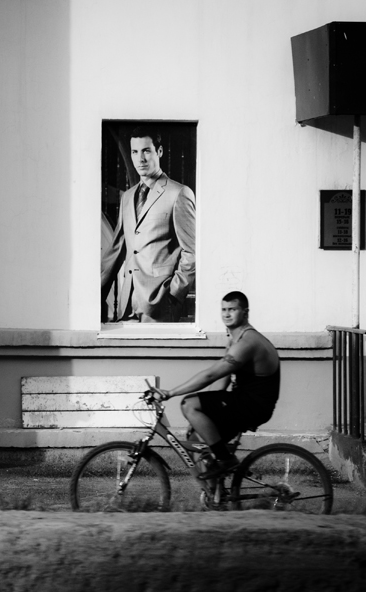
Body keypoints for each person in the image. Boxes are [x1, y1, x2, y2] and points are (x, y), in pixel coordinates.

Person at [154, 291, 280, 480]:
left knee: (189, 404)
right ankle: (216, 493)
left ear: (245, 312)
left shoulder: (248, 343)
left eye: (232, 309)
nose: (227, 314)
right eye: (224, 309)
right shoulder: (236, 339)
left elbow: (211, 374)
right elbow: (227, 374)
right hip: (245, 402)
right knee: (198, 439)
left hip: (253, 406)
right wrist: (210, 409)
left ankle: (225, 460)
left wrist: (170, 392)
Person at [100, 127, 196, 322]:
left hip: (160, 305)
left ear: (159, 152)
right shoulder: (127, 197)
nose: (140, 159)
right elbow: (116, 250)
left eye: (146, 151)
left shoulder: (179, 193)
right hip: (127, 305)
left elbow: (192, 252)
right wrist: (94, 295)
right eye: (135, 152)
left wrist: (173, 296)